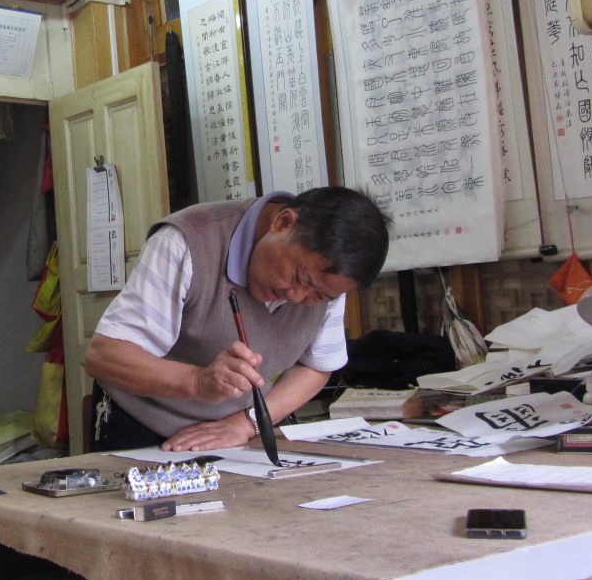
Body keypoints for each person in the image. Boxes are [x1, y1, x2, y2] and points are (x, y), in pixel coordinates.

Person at [86, 187, 390, 452]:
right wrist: (197, 382)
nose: (297, 297)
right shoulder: (188, 242)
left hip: (235, 439)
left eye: (319, 296)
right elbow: (105, 356)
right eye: (298, 277)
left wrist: (247, 423)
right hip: (141, 426)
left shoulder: (328, 281)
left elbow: (317, 367)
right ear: (283, 223)